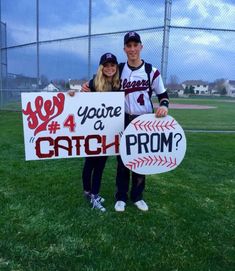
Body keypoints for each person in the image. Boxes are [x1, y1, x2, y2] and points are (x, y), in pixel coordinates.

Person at [82, 31, 169, 212]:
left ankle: (137, 196)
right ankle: (120, 196)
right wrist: (85, 87)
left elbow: (163, 95)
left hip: (144, 121)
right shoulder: (119, 69)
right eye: (128, 46)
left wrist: (164, 106)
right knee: (123, 161)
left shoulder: (151, 71)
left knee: (141, 161)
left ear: (141, 47)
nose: (132, 49)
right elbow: (100, 79)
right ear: (124, 49)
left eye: (135, 45)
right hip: (122, 119)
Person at [68, 53, 120, 212]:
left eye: (112, 65)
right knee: (90, 163)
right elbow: (80, 101)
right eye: (106, 65)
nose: (110, 68)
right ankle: (91, 194)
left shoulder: (118, 84)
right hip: (91, 131)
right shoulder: (93, 83)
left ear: (116, 67)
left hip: (108, 132)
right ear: (101, 67)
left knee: (100, 165)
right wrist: (72, 94)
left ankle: (93, 193)